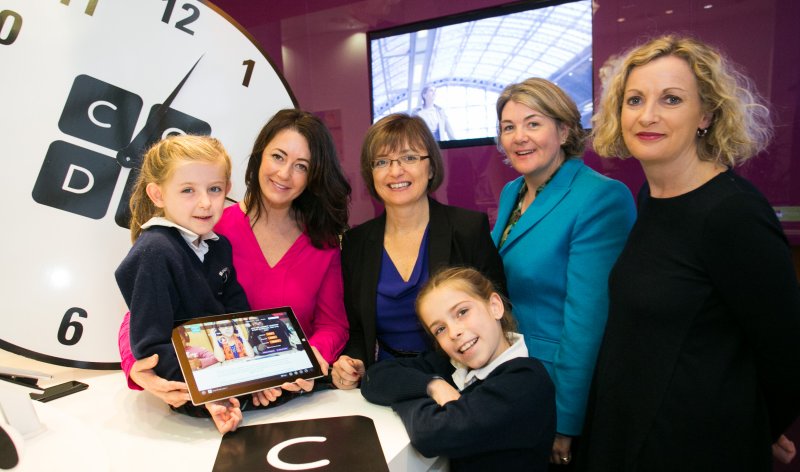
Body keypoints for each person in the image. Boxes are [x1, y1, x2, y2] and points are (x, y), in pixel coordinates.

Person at [579, 35, 800, 471]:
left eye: (672, 99)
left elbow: (787, 351)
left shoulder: (731, 212)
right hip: (629, 431)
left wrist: (755, 426)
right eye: (634, 99)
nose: (647, 115)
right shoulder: (650, 195)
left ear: (706, 114)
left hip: (695, 447)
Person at [118, 109, 350, 408]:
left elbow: (333, 326)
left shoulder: (323, 242)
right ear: (259, 156)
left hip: (290, 396)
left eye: (301, 166)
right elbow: (142, 311)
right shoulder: (206, 225)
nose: (284, 174)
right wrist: (137, 366)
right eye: (278, 157)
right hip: (211, 395)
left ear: (313, 175)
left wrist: (308, 357)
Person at [491, 77, 636, 467]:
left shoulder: (601, 197)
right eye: (509, 127)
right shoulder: (513, 193)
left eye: (533, 123)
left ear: (565, 129)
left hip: (559, 387)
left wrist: (566, 420)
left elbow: (587, 321)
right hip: (511, 375)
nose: (519, 137)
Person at [331, 113, 506, 389]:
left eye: (409, 157)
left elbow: (500, 312)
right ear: (371, 174)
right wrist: (353, 362)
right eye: (382, 162)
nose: (395, 171)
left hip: (463, 381)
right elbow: (357, 330)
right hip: (387, 382)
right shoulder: (355, 243)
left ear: (431, 167)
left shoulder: (467, 229)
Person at [115, 134, 250, 433]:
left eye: (214, 189)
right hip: (190, 390)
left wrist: (258, 368)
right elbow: (151, 347)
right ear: (158, 195)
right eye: (188, 190)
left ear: (227, 189)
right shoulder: (155, 252)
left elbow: (238, 313)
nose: (205, 202)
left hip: (233, 373)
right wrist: (213, 392)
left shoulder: (219, 246)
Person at [361, 267, 555, 471]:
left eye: (462, 312)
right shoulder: (451, 365)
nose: (454, 333)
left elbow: (430, 433)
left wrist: (403, 396)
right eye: (440, 329)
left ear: (495, 306)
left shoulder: (526, 381)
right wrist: (432, 385)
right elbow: (373, 378)